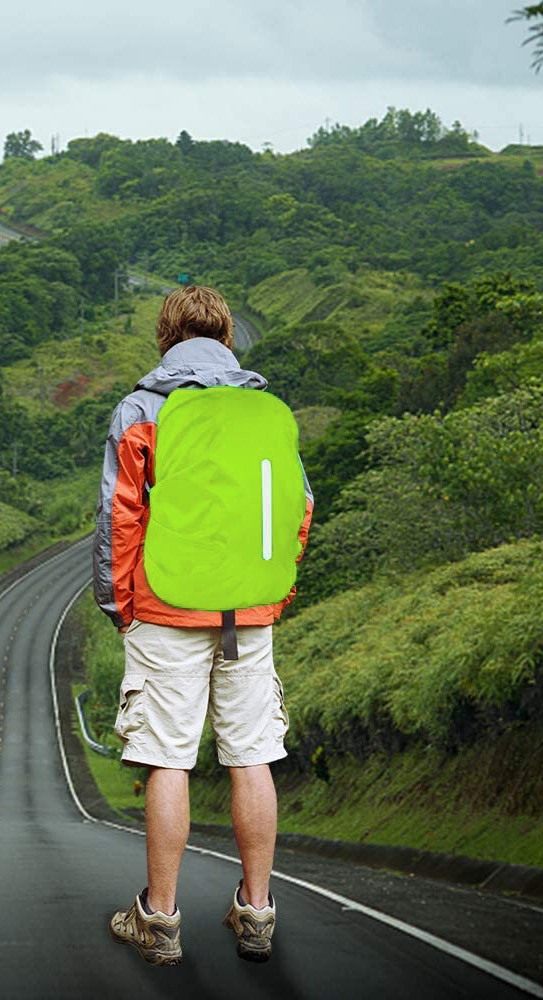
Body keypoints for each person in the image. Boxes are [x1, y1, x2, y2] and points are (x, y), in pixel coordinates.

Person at [92, 286, 313, 967]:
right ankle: (256, 911)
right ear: (227, 337)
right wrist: (274, 592)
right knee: (250, 753)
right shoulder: (266, 411)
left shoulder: (144, 407)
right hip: (249, 609)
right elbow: (300, 508)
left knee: (167, 758)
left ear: (166, 338)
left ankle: (160, 919)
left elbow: (118, 517)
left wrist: (118, 604)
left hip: (165, 608)